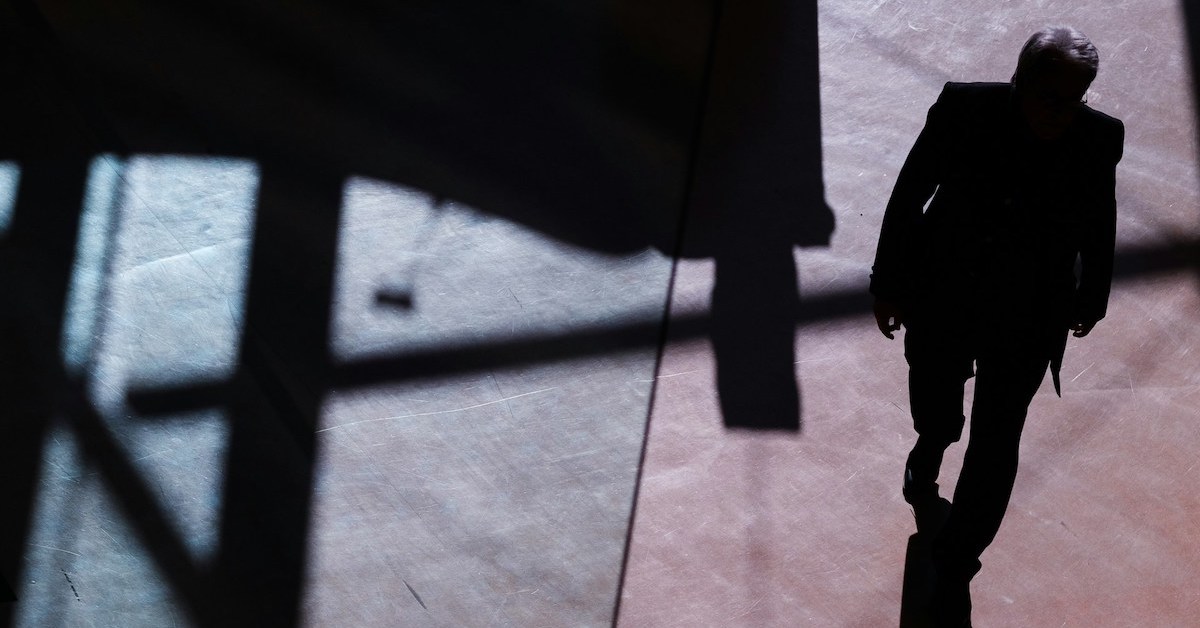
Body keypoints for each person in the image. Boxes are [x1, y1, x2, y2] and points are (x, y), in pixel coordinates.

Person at [869, 26, 1124, 626]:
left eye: (1076, 98)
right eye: (1049, 96)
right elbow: (909, 195)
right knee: (936, 401)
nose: (1061, 112)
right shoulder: (964, 108)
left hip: (1030, 314)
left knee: (997, 443)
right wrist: (888, 283)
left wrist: (1093, 295)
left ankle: (957, 564)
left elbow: (1099, 217)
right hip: (945, 294)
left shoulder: (1098, 137)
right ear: (1020, 80)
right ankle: (934, 440)